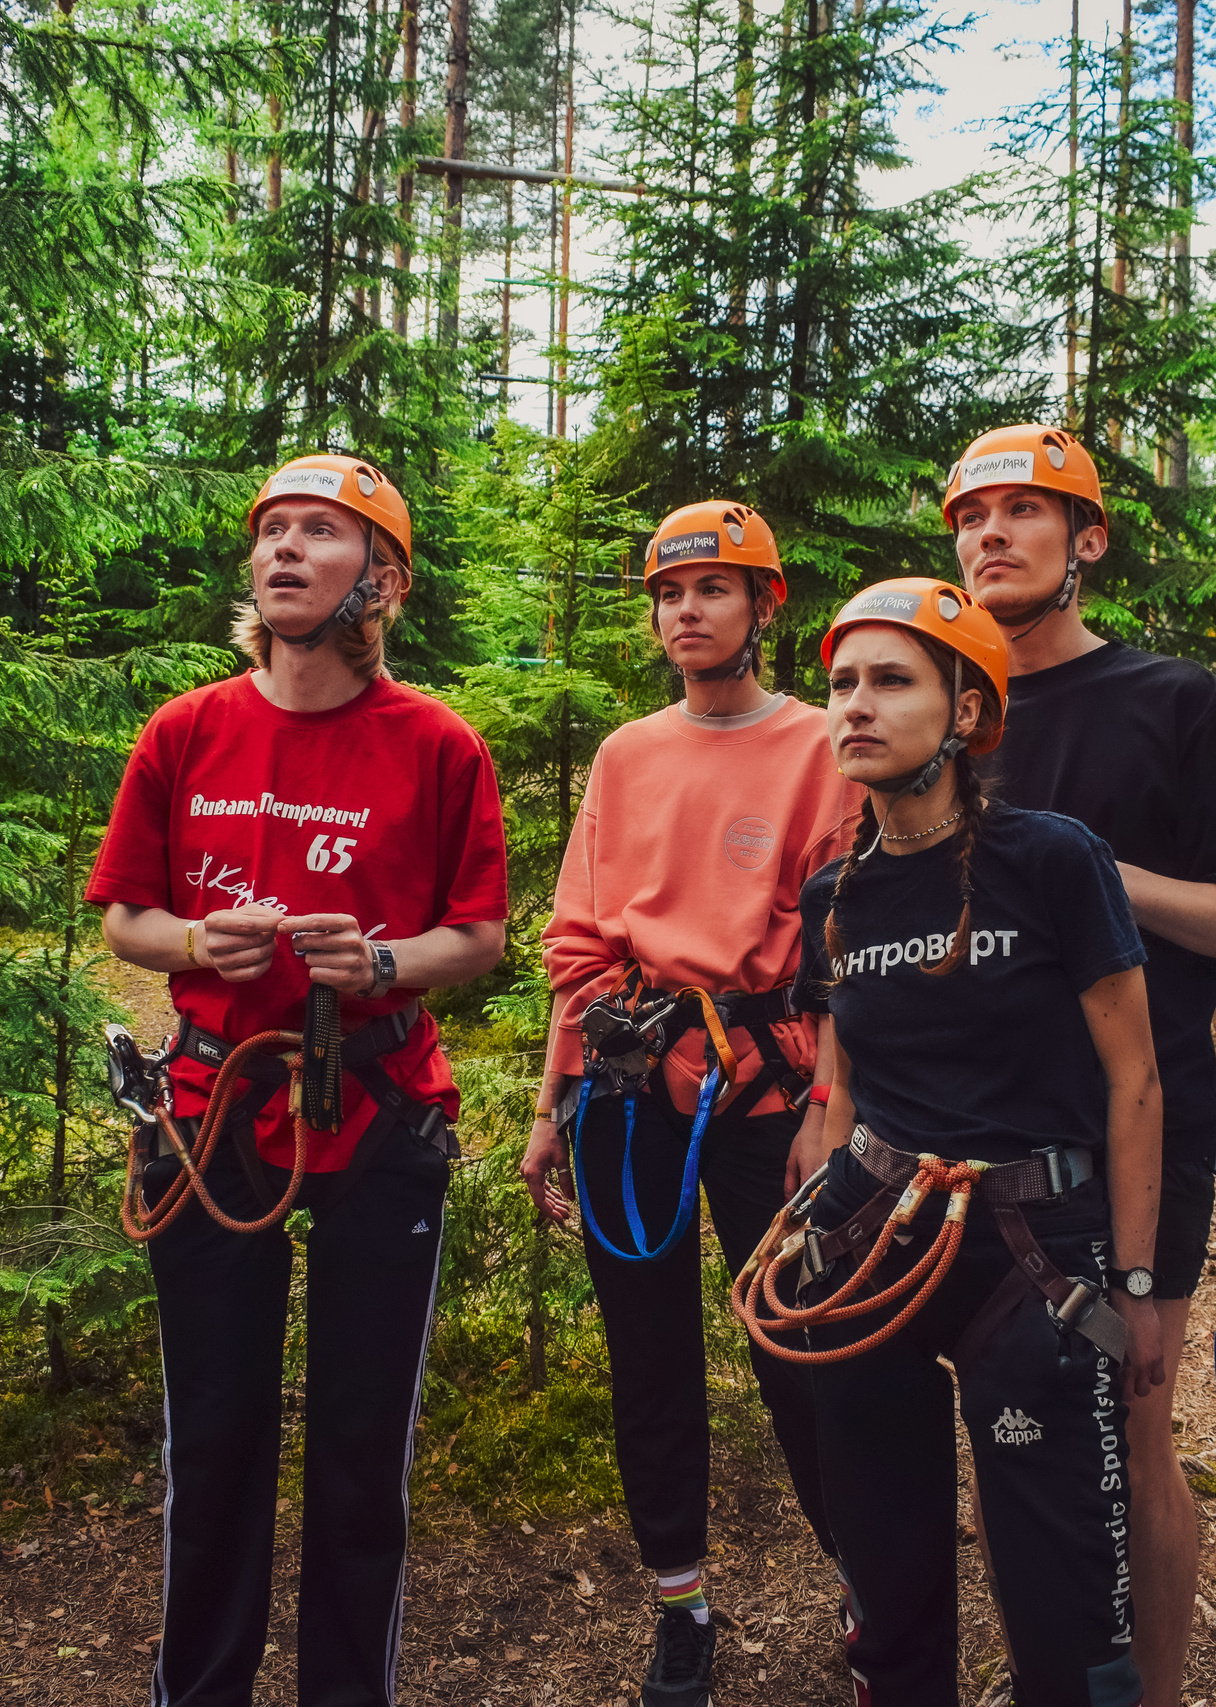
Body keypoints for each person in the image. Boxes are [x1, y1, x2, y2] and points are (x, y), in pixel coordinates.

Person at [89, 453, 509, 1707]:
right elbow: (125, 914)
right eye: (271, 531)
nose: (282, 550)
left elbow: (478, 939)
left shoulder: (435, 744)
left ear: (379, 578)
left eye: (318, 533)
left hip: (378, 1113)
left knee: (359, 1449)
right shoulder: (188, 728)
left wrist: (379, 959)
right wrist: (193, 943)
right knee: (212, 1444)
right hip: (217, 1115)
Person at [759, 576, 1164, 1707]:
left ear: (970, 714)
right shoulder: (835, 893)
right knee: (885, 1580)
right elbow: (846, 1085)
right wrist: (821, 1210)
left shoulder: (1053, 859)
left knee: (1064, 1599)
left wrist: (1130, 1281)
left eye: (891, 682)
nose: (854, 706)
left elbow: (1134, 1081)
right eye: (841, 683)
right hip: (876, 1243)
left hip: (1033, 1253)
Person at [943, 423, 1216, 1707]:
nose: (991, 535)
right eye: (970, 518)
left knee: (1136, 1415)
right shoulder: (944, 705)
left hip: (1138, 1116)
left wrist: (1093, 872)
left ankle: (1146, 1690)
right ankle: (1047, 1664)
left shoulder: (1174, 703)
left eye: (1022, 513)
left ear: (1085, 539)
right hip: (968, 1123)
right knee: (1007, 1420)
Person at [519, 501, 860, 1707]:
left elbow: (845, 947)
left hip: (770, 1087)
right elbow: (574, 935)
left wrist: (831, 1099)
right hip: (628, 1083)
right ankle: (680, 1605)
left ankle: (867, 1587)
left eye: (712, 591)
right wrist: (551, 1101)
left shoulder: (825, 745)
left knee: (802, 1346)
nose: (685, 614)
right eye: (669, 595)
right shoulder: (626, 754)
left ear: (765, 607)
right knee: (646, 1357)